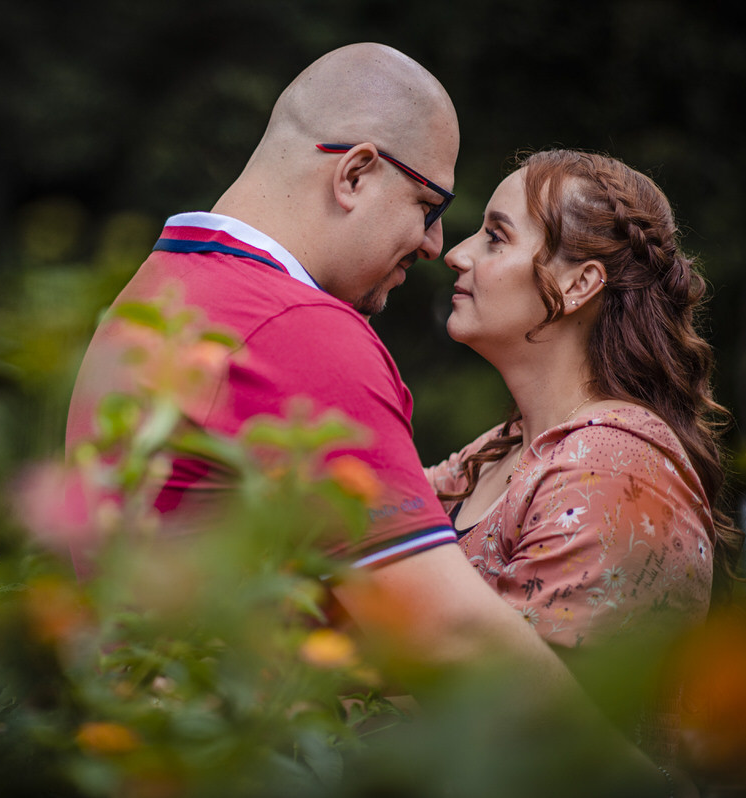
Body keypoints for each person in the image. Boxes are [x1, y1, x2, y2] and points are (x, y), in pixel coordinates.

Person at [66, 44, 680, 795]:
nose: (436, 247)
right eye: (429, 207)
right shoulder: (296, 331)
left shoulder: (150, 295)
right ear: (355, 173)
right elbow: (450, 637)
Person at [424, 148, 744, 766]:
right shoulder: (501, 449)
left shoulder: (611, 466)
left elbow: (509, 715)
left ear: (578, 285)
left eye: (495, 237)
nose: (457, 254)